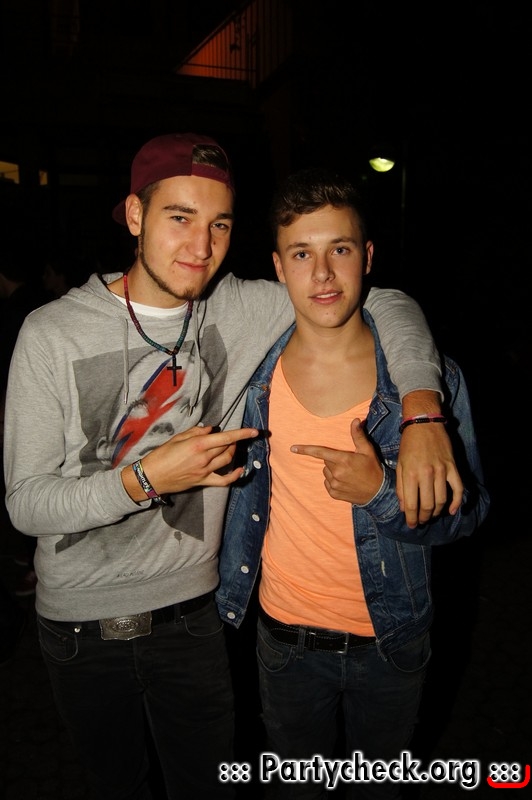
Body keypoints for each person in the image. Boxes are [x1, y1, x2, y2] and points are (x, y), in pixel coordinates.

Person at [4, 133, 461, 800]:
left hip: (197, 615)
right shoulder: (50, 333)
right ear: (134, 215)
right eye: (179, 217)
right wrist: (144, 480)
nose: (201, 245)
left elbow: (378, 299)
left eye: (219, 224)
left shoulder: (242, 307)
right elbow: (25, 504)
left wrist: (422, 410)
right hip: (79, 624)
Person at [216, 168, 490, 799]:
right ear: (278, 268)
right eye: (301, 254)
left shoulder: (428, 383)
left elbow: (469, 513)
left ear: (367, 257)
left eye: (338, 249)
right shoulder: (252, 376)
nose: (322, 274)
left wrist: (381, 494)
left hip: (390, 641)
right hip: (283, 640)